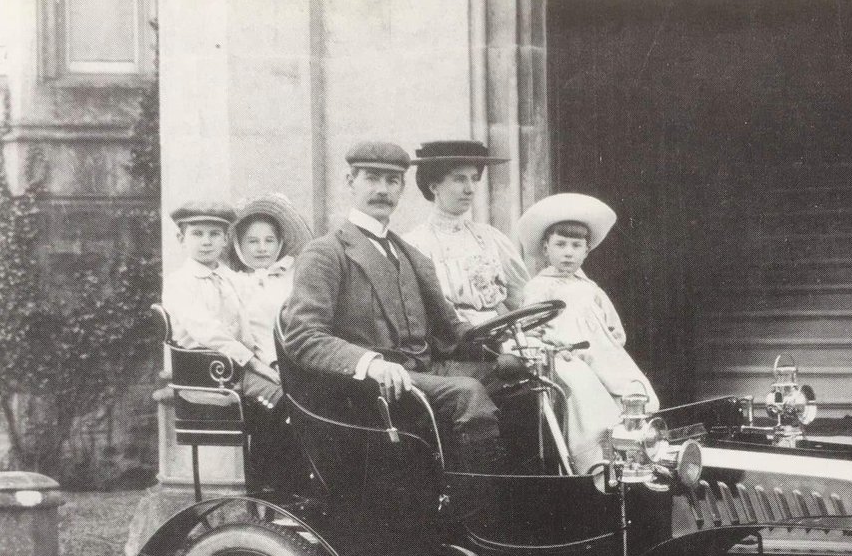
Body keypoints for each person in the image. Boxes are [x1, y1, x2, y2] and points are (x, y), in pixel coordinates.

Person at [279, 141, 503, 474]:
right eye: (372, 178)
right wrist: (370, 363)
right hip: (366, 391)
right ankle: (480, 513)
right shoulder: (326, 253)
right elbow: (303, 336)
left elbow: (450, 331)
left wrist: (506, 338)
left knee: (520, 373)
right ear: (350, 181)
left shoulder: (411, 254)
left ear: (401, 189)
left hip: (421, 372)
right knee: (467, 393)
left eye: (392, 181)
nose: (383, 190)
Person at [517, 193, 659, 474]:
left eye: (576, 246)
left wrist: (609, 345)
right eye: (560, 245)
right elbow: (530, 330)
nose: (568, 252)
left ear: (586, 251)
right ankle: (597, 463)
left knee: (636, 390)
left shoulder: (590, 289)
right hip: (564, 355)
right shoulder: (539, 288)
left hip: (600, 354)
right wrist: (554, 342)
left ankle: (633, 453)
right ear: (546, 248)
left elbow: (614, 330)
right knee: (587, 395)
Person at [161, 199, 282, 412]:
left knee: (302, 391)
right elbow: (208, 332)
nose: (206, 242)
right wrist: (255, 364)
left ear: (225, 239)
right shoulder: (179, 283)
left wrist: (272, 362)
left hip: (238, 369)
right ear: (181, 239)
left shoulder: (232, 279)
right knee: (282, 398)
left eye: (214, 234)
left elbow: (256, 322)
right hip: (207, 376)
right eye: (197, 234)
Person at [403, 140, 529, 325]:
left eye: (474, 178)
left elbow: (522, 299)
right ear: (434, 186)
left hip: (502, 338)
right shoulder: (414, 245)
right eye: (459, 179)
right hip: (448, 344)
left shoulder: (490, 238)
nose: (470, 189)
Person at [227, 193, 314, 366]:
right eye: (252, 241)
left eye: (269, 241)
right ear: (238, 244)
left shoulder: (293, 277)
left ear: (280, 243)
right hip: (259, 364)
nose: (262, 248)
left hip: (301, 358)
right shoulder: (233, 283)